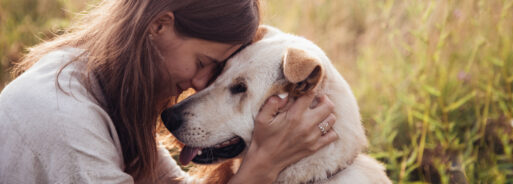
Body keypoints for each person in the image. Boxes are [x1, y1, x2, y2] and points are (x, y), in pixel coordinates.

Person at [0, 0, 338, 183]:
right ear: (159, 25)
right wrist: (264, 164)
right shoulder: (65, 120)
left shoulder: (100, 82)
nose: (203, 83)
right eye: (203, 61)